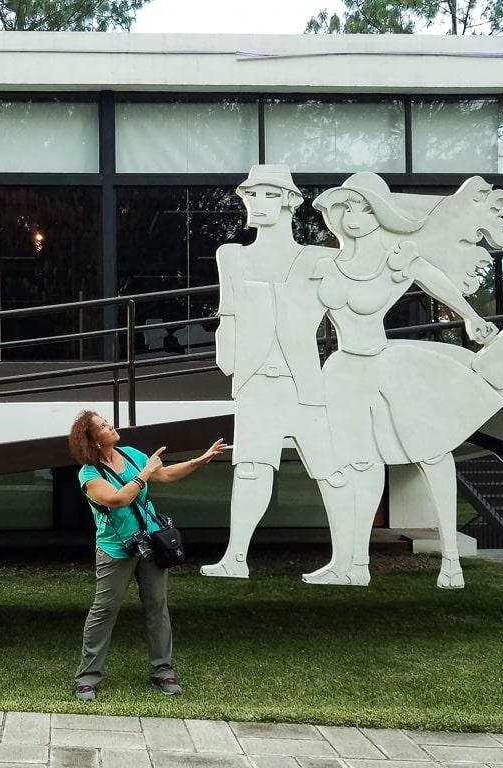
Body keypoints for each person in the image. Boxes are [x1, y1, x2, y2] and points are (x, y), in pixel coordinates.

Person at [308, 172, 503, 588]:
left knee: (431, 453)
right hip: (342, 373)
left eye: (365, 207)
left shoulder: (398, 257)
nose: (355, 216)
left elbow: (437, 282)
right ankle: (355, 564)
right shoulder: (325, 266)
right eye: (347, 207)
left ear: (382, 213)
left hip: (389, 365)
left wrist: (471, 316)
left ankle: (451, 561)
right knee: (361, 463)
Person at [199, 165, 351, 583]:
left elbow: (349, 305)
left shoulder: (320, 257)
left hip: (303, 380)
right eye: (251, 195)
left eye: (267, 194)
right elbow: (227, 312)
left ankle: (349, 561)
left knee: (330, 468)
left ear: (289, 199)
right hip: (253, 382)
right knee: (249, 467)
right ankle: (235, 557)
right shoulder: (231, 254)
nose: (255, 203)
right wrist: (229, 359)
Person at [67, 410, 225, 701]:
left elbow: (164, 474)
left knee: (157, 606)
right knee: (104, 610)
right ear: (92, 439)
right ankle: (87, 678)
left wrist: (199, 460)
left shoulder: (129, 455)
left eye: (107, 421)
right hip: (115, 549)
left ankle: (163, 672)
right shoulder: (88, 474)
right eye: (103, 425)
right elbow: (118, 499)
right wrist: (146, 472)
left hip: (151, 543)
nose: (110, 425)